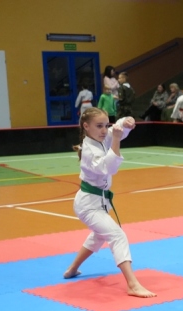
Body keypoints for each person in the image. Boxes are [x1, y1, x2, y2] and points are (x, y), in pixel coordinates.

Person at [63, 108, 155, 298]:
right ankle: (132, 284)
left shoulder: (100, 138)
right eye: (99, 126)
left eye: (106, 125)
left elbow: (116, 129)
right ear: (86, 126)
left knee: (99, 235)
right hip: (88, 205)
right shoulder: (89, 150)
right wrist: (116, 140)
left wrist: (126, 122)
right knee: (117, 235)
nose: (104, 130)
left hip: (99, 201)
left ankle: (72, 269)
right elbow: (109, 168)